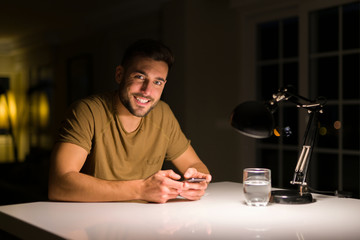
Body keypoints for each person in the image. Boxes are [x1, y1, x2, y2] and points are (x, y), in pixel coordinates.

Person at [48, 39, 212, 203]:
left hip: (144, 223)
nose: (147, 91)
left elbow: (195, 164)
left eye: (157, 82)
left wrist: (196, 182)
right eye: (140, 77)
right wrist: (142, 189)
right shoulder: (88, 111)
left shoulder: (163, 113)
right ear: (120, 74)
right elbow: (60, 184)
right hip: (90, 222)